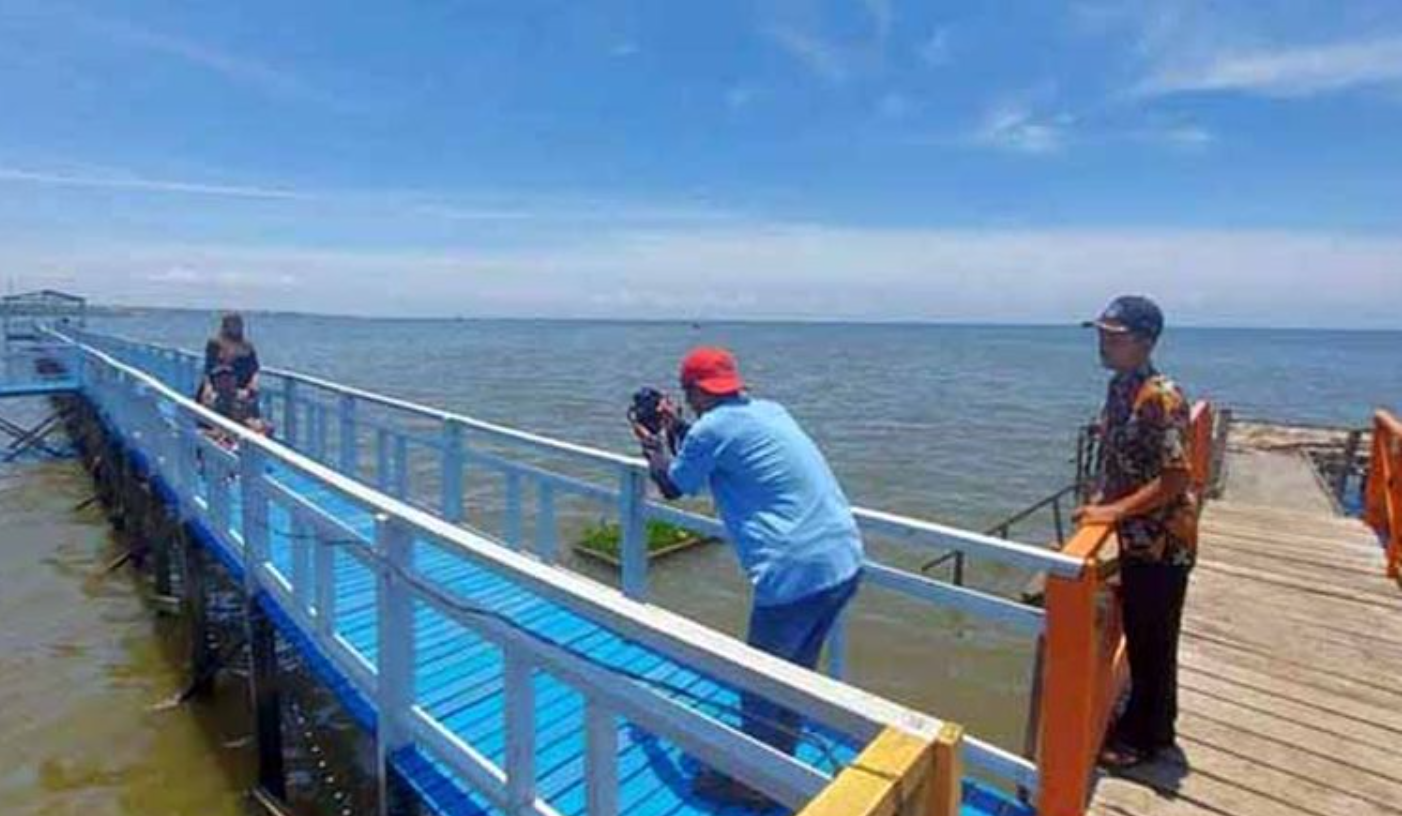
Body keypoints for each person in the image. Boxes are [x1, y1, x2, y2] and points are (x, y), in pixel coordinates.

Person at [631, 347, 863, 805]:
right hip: (843, 560)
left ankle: (756, 785)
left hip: (793, 574)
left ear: (694, 391)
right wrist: (677, 427)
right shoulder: (768, 410)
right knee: (795, 675)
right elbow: (719, 447)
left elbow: (675, 485)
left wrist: (650, 442)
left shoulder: (711, 429)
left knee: (758, 683)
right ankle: (781, 764)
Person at [1074, 295, 1198, 769]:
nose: (1104, 343)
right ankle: (1147, 719)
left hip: (1163, 541)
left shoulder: (1161, 396)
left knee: (1153, 639)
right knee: (1143, 632)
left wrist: (1113, 513)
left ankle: (1147, 738)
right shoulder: (1119, 387)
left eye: (1115, 336)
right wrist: (1103, 510)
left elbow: (1176, 477)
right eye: (1102, 334)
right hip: (1132, 534)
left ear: (1145, 342)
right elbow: (1120, 462)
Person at [199, 312, 260, 408]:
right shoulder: (215, 343)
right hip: (220, 388)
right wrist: (208, 386)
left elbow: (254, 369)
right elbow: (208, 369)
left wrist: (253, 384)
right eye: (233, 323)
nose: (236, 327)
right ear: (225, 325)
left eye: (238, 323)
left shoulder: (247, 346)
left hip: (242, 389)